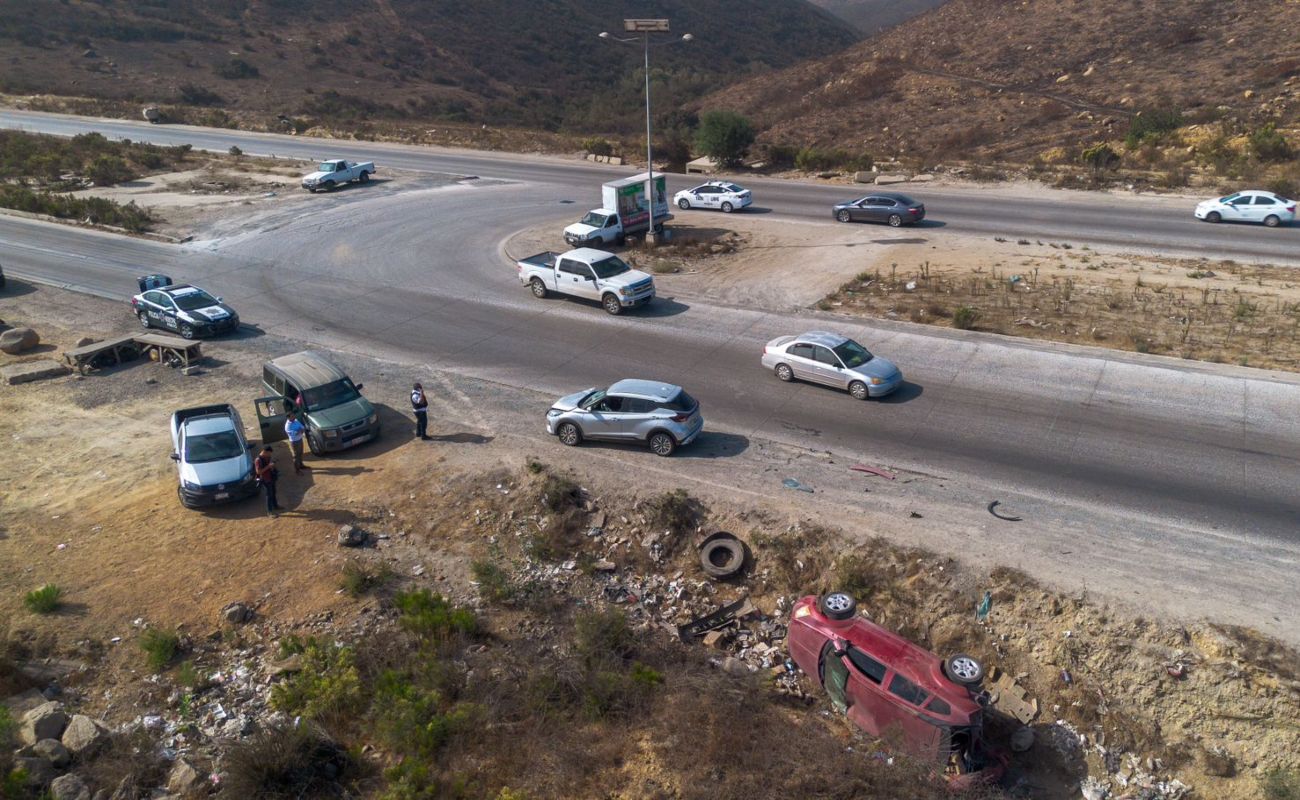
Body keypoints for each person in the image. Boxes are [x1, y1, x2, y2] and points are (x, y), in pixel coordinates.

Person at [253, 446, 280, 515]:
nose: (270, 455)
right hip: (265, 479)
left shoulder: (267, 457)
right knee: (269, 495)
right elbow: (258, 472)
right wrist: (268, 466)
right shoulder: (258, 460)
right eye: (269, 453)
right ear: (265, 452)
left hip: (271, 478)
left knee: (273, 492)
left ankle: (275, 506)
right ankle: (269, 511)